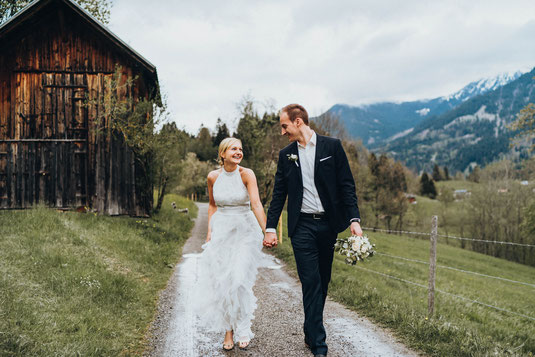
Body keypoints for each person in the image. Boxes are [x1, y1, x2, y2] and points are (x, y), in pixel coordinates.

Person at [264, 104, 362, 357]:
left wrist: (354, 219)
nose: (283, 132)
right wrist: (270, 227)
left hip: (328, 225)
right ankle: (319, 344)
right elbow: (278, 195)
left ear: (298, 122)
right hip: (302, 226)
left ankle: (310, 328)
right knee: (311, 282)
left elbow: (346, 185)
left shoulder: (332, 146)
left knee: (323, 281)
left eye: (284, 126)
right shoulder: (287, 155)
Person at [192, 137, 267, 351]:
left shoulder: (247, 174)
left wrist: (267, 230)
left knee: (239, 278)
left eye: (241, 149)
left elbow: (256, 204)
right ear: (223, 153)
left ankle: (243, 328)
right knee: (223, 282)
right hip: (222, 232)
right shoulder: (213, 177)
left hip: (245, 231)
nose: (239, 152)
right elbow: (212, 206)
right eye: (234, 149)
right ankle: (228, 330)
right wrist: (209, 233)